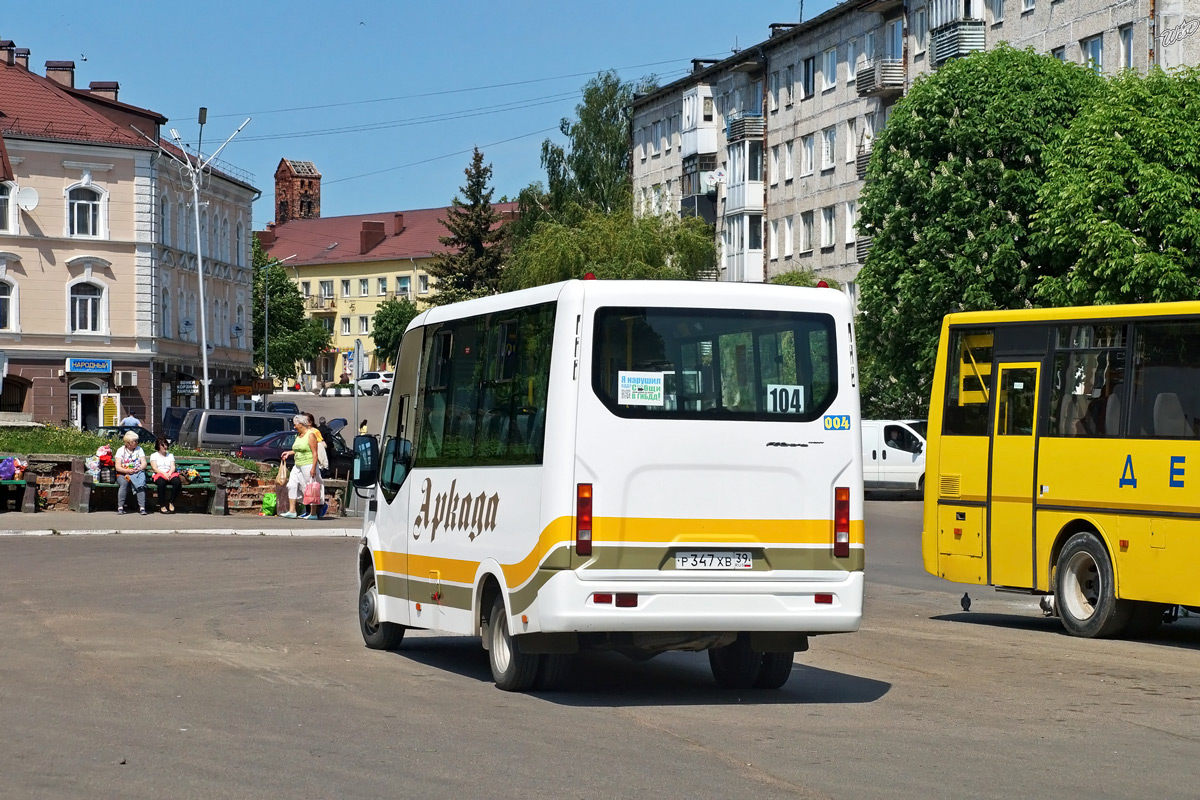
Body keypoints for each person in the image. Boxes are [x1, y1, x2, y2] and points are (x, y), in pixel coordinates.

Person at [280, 414, 322, 519]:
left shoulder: (310, 435)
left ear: (301, 424)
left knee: (310, 488)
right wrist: (289, 452)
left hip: (308, 464)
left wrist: (313, 468)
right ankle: (292, 511)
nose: (294, 427)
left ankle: (313, 513)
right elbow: (297, 449)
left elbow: (315, 453)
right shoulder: (298, 436)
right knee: (291, 485)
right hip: (297, 465)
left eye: (295, 425)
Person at [114, 431, 148, 515]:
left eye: (137, 441)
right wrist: (127, 471)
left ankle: (142, 507)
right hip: (123, 473)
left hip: (137, 472)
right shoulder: (120, 450)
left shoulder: (139, 449)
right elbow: (117, 467)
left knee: (140, 484)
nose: (136, 442)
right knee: (124, 484)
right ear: (128, 443)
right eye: (134, 441)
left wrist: (139, 468)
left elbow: (144, 463)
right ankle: (120, 507)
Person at [149, 436, 182, 514]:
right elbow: (154, 468)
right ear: (158, 446)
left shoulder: (170, 455)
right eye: (163, 445)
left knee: (177, 482)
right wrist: (164, 474)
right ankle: (162, 505)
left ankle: (171, 501)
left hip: (170, 473)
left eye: (166, 445)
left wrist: (169, 473)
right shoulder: (154, 455)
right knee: (161, 483)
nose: (165, 447)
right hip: (159, 473)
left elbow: (173, 466)